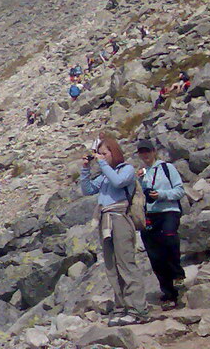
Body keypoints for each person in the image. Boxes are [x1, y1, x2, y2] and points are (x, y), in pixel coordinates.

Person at [80, 134, 148, 325]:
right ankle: (122, 306)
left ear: (114, 152)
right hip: (105, 221)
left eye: (105, 153)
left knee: (126, 264)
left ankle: (138, 309)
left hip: (119, 218)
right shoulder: (104, 176)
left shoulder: (126, 170)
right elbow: (87, 189)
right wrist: (85, 169)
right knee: (112, 266)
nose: (102, 157)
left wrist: (102, 165)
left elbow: (118, 182)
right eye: (99, 154)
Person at [136, 140, 186, 309]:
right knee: (155, 254)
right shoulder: (141, 174)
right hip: (149, 214)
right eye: (141, 152)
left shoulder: (166, 168)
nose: (145, 155)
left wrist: (162, 194)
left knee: (169, 237)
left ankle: (178, 274)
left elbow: (180, 190)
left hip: (169, 210)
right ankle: (168, 292)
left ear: (154, 151)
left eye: (147, 151)